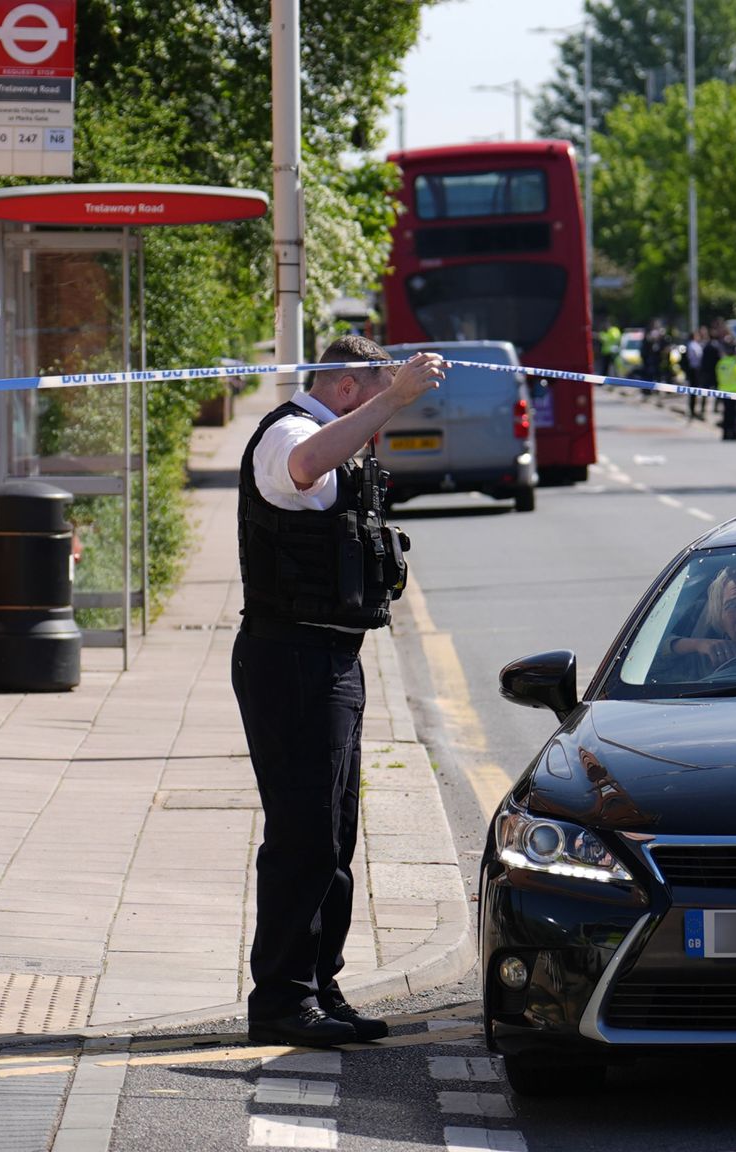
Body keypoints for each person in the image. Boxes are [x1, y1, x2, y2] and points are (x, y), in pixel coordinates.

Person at [233, 335, 446, 1048]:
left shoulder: (329, 430)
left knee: (336, 833)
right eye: (375, 394)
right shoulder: (288, 433)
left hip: (329, 656)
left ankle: (320, 987)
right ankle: (283, 999)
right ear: (350, 387)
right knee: (304, 833)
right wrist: (396, 397)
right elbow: (302, 467)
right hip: (289, 656)